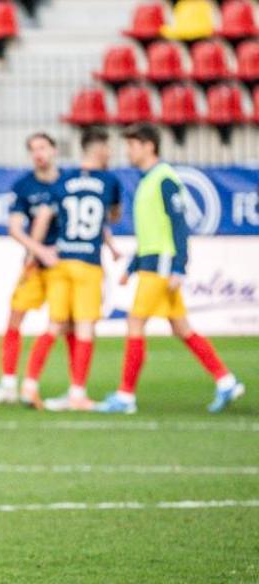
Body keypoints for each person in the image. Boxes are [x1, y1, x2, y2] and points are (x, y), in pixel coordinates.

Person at [97, 123, 245, 415]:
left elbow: (179, 225)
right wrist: (133, 265)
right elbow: (152, 232)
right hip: (152, 263)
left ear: (149, 146)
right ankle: (225, 380)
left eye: (132, 145)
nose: (128, 151)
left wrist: (180, 266)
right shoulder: (148, 180)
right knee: (181, 327)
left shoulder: (164, 179)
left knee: (135, 323)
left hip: (162, 266)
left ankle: (126, 396)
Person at [26, 127, 123, 412]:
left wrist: (35, 253)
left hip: (61, 261)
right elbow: (111, 216)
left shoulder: (63, 181)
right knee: (84, 328)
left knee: (54, 324)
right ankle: (77, 393)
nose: (111, 154)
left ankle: (29, 384)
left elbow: (43, 218)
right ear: (100, 149)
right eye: (109, 149)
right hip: (88, 265)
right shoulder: (110, 181)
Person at [0, 132, 69, 407]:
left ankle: (54, 386)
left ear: (54, 150)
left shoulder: (70, 183)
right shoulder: (24, 186)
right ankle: (8, 385)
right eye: (33, 149)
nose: (38, 153)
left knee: (66, 324)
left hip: (64, 262)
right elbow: (15, 228)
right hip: (35, 262)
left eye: (43, 147)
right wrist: (38, 251)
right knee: (15, 318)